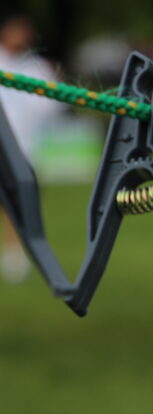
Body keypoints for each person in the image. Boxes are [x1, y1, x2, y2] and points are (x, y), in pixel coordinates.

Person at [0, 5, 60, 283]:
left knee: (18, 204)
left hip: (24, 148)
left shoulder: (37, 68)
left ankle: (16, 254)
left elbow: (50, 107)